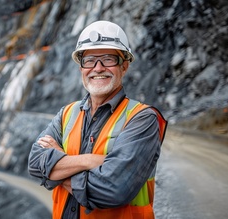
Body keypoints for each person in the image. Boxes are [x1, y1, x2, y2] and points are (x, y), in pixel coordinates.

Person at [28, 20, 167, 219]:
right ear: (81, 68)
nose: (98, 68)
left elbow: (113, 190)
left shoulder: (142, 119)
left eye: (108, 59)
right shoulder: (66, 113)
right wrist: (91, 161)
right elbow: (34, 163)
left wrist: (57, 170)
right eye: (90, 60)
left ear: (124, 66)